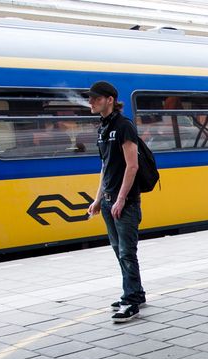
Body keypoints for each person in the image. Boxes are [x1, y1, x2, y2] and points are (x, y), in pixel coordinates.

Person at [84, 81, 146, 323]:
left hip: (125, 202)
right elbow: (105, 167)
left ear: (110, 99)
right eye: (90, 99)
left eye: (95, 98)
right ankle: (135, 293)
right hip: (109, 201)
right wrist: (98, 199)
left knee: (126, 251)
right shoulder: (103, 128)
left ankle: (131, 302)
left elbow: (132, 165)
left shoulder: (124, 126)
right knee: (118, 250)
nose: (91, 102)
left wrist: (121, 199)